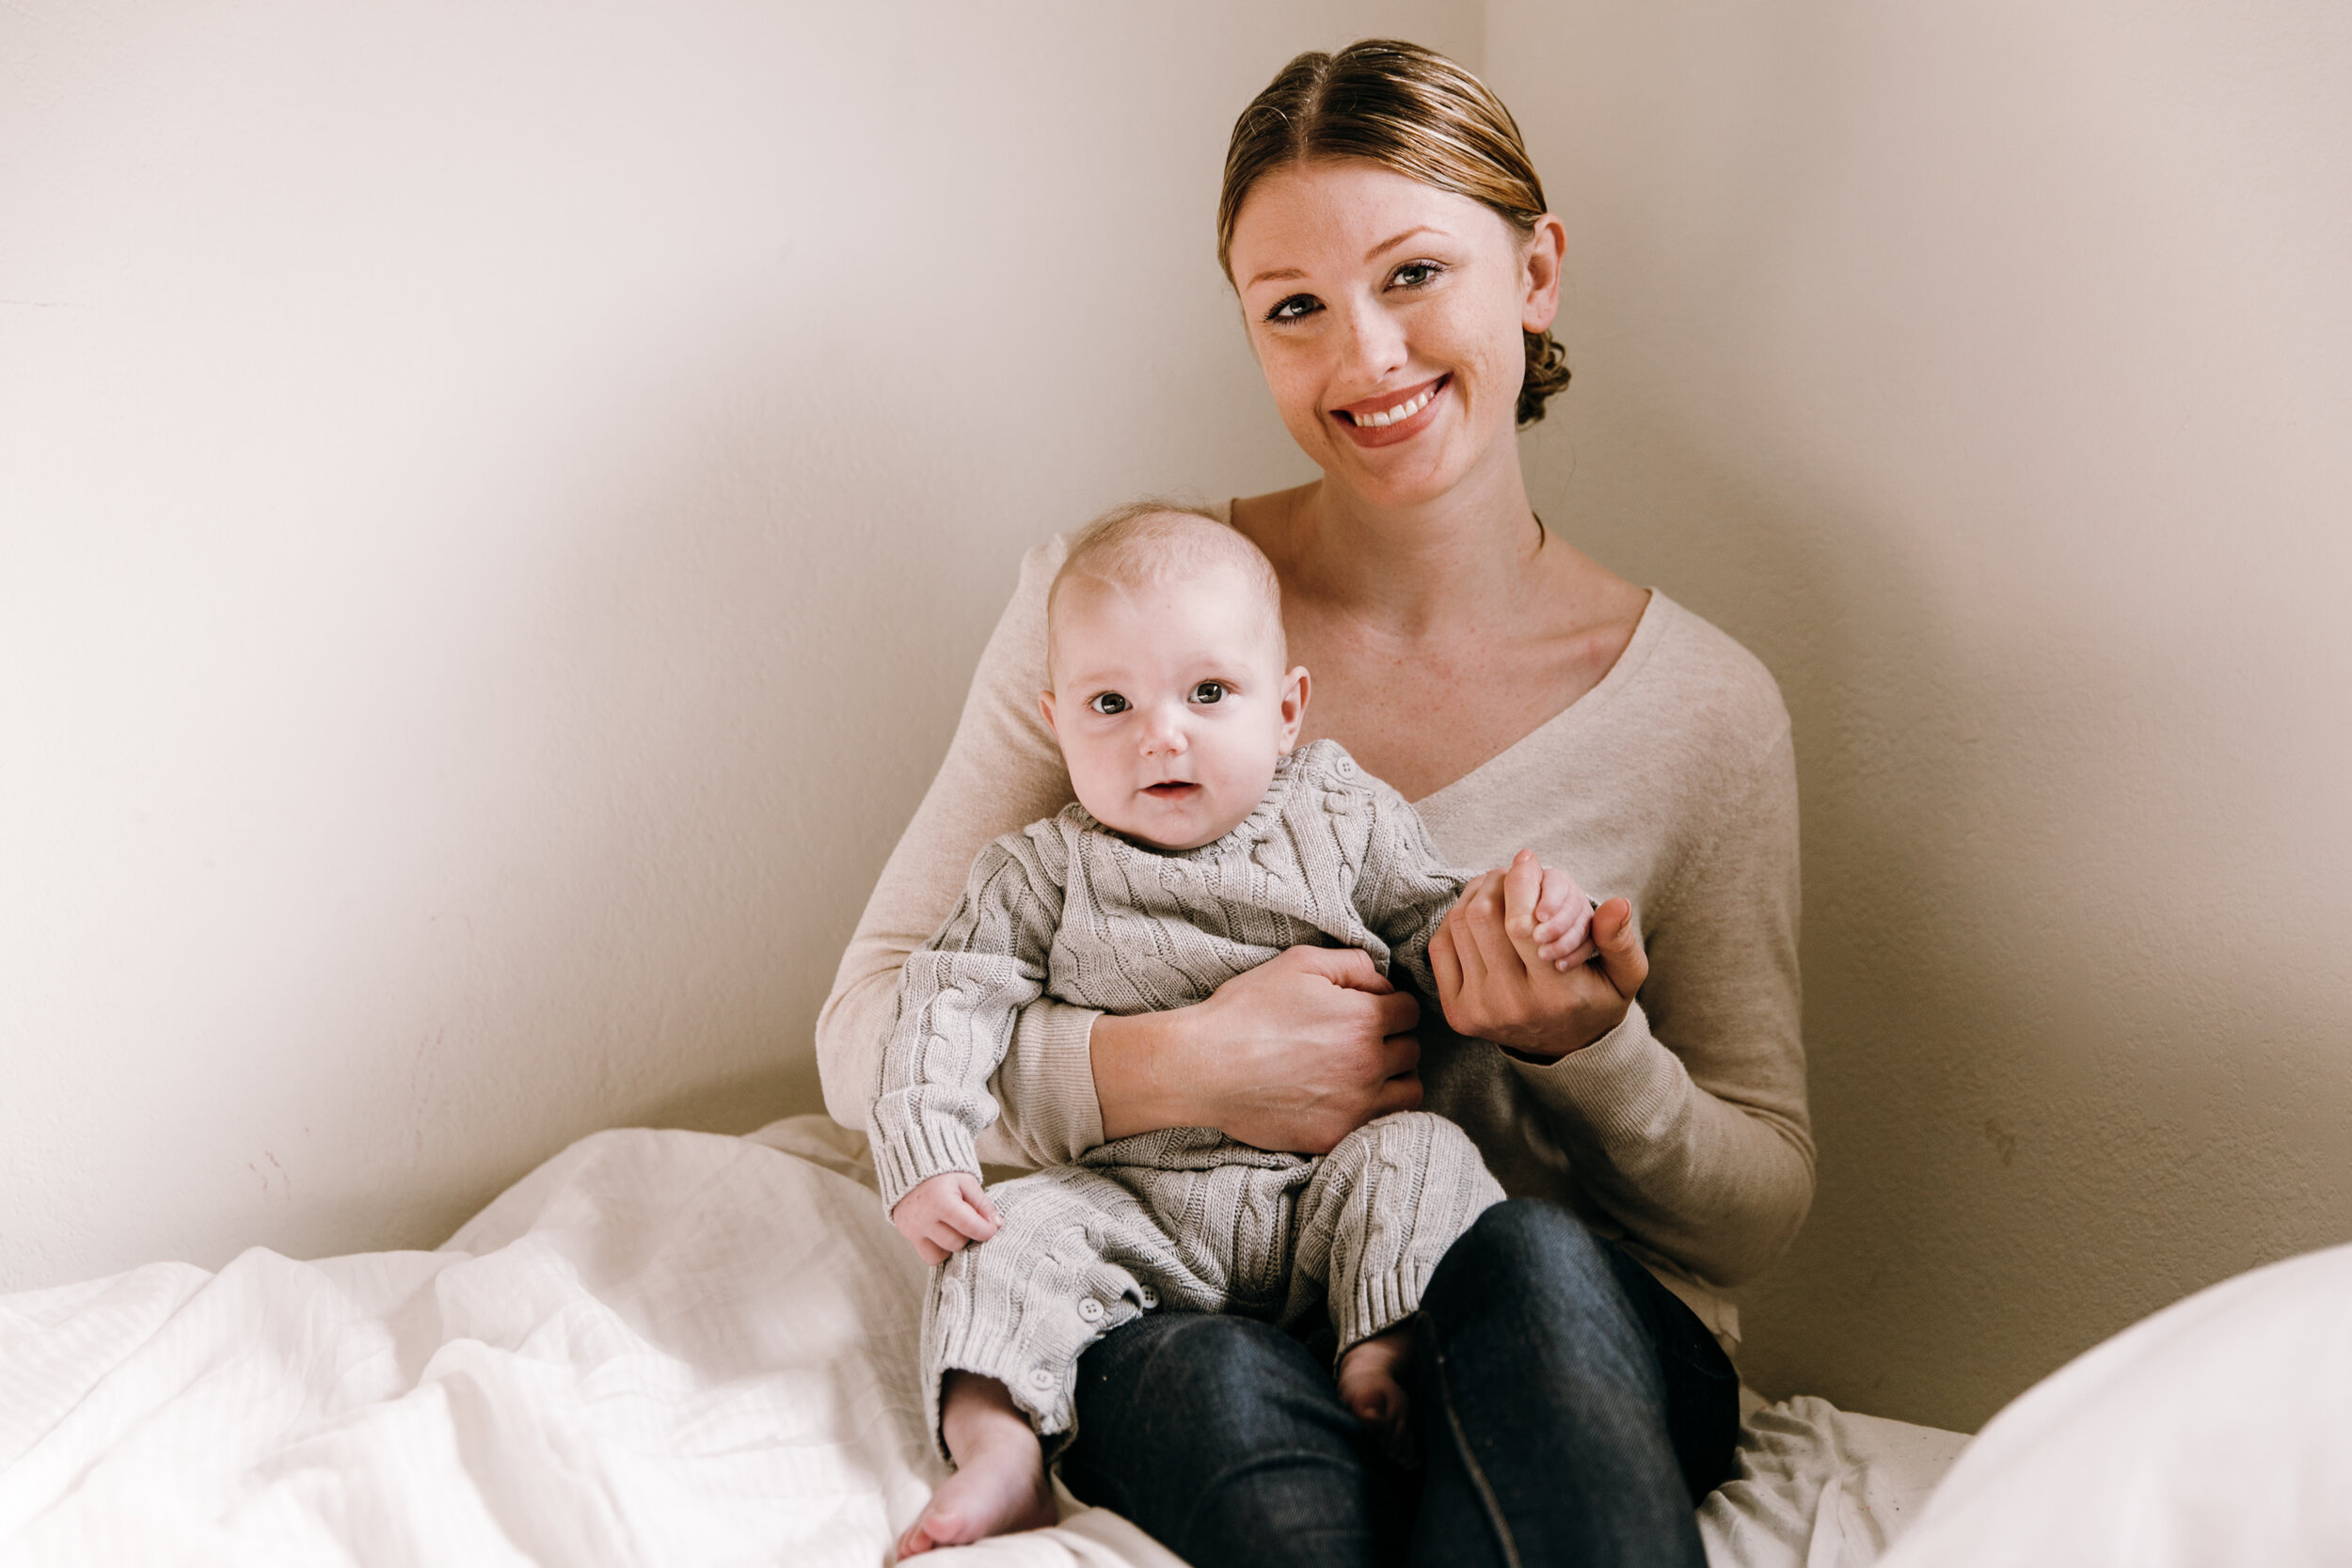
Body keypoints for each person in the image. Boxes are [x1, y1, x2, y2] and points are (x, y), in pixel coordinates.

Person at [818, 37, 1813, 1568]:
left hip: (1552, 1331)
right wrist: (1169, 1066)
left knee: (1525, 1258)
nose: (1365, 357)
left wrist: (1590, 1045)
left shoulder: (1702, 712)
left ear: (1536, 272)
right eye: (1295, 308)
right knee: (1207, 1379)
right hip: (1191, 1292)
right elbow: (871, 1019)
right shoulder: (1113, 620)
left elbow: (1756, 1210)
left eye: (1414, 273)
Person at [873, 504, 1593, 1557]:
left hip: (1331, 1190)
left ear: (1288, 707)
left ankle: (1383, 1346)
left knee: (1425, 1154)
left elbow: (1442, 929)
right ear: (1055, 720)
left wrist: (1524, 931)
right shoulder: (1039, 871)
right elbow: (944, 996)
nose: (1160, 733)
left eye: (1207, 693)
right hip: (1140, 1209)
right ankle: (998, 1448)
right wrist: (924, 1147)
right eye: (1110, 703)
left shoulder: (1342, 817)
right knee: (1008, 1237)